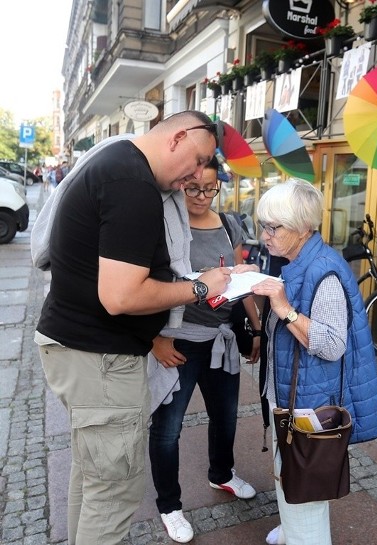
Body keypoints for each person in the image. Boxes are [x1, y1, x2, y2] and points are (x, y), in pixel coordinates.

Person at [34, 111, 232, 545]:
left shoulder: (118, 167)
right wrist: (197, 288)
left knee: (94, 479)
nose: (197, 176)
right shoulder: (132, 183)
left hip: (81, 351)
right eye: (198, 161)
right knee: (113, 491)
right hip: (99, 359)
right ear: (178, 137)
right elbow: (121, 297)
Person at [250, 179, 377, 545]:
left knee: (304, 488)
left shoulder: (322, 271)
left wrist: (285, 310)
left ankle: (302, 535)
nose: (265, 235)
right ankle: (292, 530)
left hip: (309, 404)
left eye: (273, 227)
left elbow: (331, 344)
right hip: (294, 396)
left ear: (303, 227)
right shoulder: (297, 260)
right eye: (263, 224)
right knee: (289, 476)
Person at [148, 158, 261, 543]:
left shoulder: (229, 225)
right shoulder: (165, 226)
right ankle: (169, 505)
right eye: (193, 187)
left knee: (226, 417)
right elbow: (143, 286)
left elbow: (238, 278)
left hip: (222, 341)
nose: (201, 196)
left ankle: (222, 474)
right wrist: (154, 339)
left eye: (209, 188)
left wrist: (256, 327)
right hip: (177, 342)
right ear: (180, 186)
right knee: (168, 429)